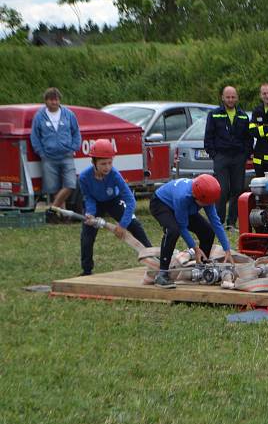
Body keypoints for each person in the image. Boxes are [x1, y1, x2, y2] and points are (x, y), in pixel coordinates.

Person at [78, 139, 152, 276]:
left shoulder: (115, 175)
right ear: (93, 162)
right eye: (103, 164)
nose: (107, 167)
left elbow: (130, 200)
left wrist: (123, 225)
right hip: (95, 203)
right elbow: (88, 197)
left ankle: (154, 258)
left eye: (110, 163)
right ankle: (87, 270)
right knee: (87, 235)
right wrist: (91, 213)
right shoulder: (84, 177)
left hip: (114, 201)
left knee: (135, 226)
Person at [149, 174, 232, 289]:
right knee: (173, 230)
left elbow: (216, 222)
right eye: (206, 204)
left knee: (208, 231)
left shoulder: (206, 194)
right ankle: (162, 273)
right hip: (161, 204)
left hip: (185, 206)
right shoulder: (182, 197)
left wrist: (227, 249)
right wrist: (195, 248)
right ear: (196, 196)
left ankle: (202, 268)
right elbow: (182, 226)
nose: (208, 206)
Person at [204, 86, 251, 231]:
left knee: (237, 190)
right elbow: (208, 137)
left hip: (238, 158)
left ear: (237, 98)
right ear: (222, 98)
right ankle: (218, 222)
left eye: (233, 97)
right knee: (222, 190)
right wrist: (215, 155)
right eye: (228, 97)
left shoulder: (243, 116)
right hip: (221, 157)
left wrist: (245, 155)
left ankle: (231, 223)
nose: (230, 100)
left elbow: (248, 139)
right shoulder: (214, 114)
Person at [30, 87, 81, 209]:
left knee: (70, 184)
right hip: (48, 157)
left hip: (66, 156)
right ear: (46, 101)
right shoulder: (39, 116)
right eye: (51, 100)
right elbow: (35, 136)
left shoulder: (68, 114)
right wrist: (41, 152)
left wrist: (74, 147)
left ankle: (53, 209)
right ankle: (61, 215)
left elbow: (76, 132)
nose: (54, 102)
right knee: (53, 188)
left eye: (56, 99)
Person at [250, 82, 268, 176]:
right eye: (264, 93)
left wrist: (261, 129)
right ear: (260, 95)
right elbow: (252, 131)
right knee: (260, 187)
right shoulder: (257, 110)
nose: (267, 96)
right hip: (259, 159)